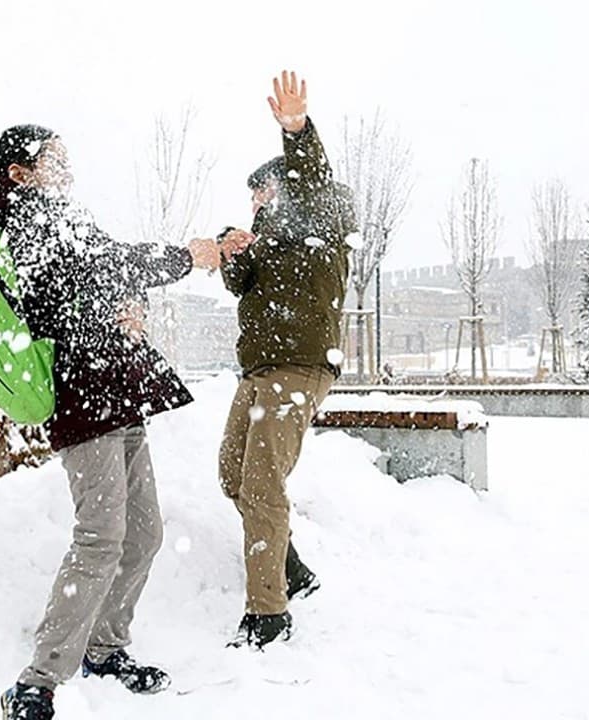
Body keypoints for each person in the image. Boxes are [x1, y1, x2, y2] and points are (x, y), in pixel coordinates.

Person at [0, 125, 224, 720]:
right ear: (21, 172)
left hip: (116, 388)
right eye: (56, 160)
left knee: (143, 532)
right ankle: (37, 682)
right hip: (82, 396)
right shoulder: (24, 218)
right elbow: (103, 268)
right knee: (100, 535)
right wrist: (186, 257)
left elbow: (100, 281)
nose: (68, 169)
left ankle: (105, 648)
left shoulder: (61, 215)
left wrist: (129, 307)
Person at [215, 71, 358, 649]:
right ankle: (291, 567)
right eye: (253, 195)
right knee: (233, 473)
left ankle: (268, 614)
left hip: (298, 367)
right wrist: (232, 249)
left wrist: (296, 130)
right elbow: (239, 284)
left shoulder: (321, 218)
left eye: (264, 191)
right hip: (259, 369)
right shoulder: (267, 240)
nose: (257, 201)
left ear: (288, 188)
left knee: (261, 484)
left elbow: (312, 178)